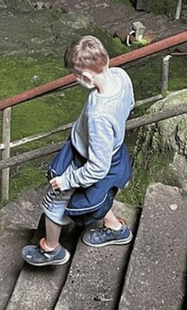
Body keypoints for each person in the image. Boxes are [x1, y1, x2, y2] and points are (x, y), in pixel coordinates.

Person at [21, 35, 135, 266]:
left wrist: (68, 180)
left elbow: (97, 167)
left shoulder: (99, 116)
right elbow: (130, 104)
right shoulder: (121, 76)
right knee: (100, 194)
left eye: (75, 75)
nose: (75, 79)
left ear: (85, 76)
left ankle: (52, 250)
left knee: (53, 204)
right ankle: (115, 228)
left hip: (86, 161)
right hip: (113, 150)